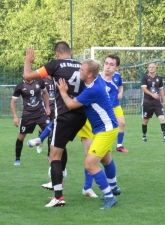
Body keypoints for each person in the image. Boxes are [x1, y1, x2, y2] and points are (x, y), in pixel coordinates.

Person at [24, 41, 87, 207]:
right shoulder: (81, 66)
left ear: (57, 54)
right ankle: (59, 178)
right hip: (81, 115)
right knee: (60, 147)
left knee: (54, 156)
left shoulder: (55, 65)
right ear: (70, 51)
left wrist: (28, 61)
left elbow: (27, 76)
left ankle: (58, 196)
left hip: (64, 115)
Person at [57, 59, 120, 209]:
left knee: (90, 164)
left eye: (82, 70)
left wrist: (63, 92)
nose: (79, 71)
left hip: (106, 130)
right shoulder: (95, 80)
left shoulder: (93, 90)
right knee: (106, 160)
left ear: (90, 74)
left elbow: (71, 105)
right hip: (104, 129)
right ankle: (114, 187)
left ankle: (110, 197)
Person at [10, 76, 51, 166]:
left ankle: (49, 155)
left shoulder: (39, 81)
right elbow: (12, 102)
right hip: (28, 115)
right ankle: (17, 159)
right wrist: (15, 117)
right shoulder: (20, 86)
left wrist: (47, 107)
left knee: (51, 131)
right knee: (21, 136)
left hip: (41, 113)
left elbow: (45, 93)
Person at [108, 55, 128, 152]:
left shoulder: (118, 76)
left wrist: (120, 93)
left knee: (122, 123)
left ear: (117, 67)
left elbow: (120, 86)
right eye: (106, 63)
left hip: (115, 104)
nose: (108, 66)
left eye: (111, 64)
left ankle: (119, 145)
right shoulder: (99, 76)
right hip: (105, 107)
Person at [141, 63, 165, 142]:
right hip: (147, 102)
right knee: (146, 120)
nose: (151, 68)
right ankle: (144, 136)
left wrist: (163, 100)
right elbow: (144, 89)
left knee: (162, 118)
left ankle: (164, 136)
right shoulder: (145, 77)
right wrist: (152, 95)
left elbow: (161, 90)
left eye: (153, 67)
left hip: (157, 103)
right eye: (150, 67)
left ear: (155, 68)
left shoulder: (159, 78)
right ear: (148, 69)